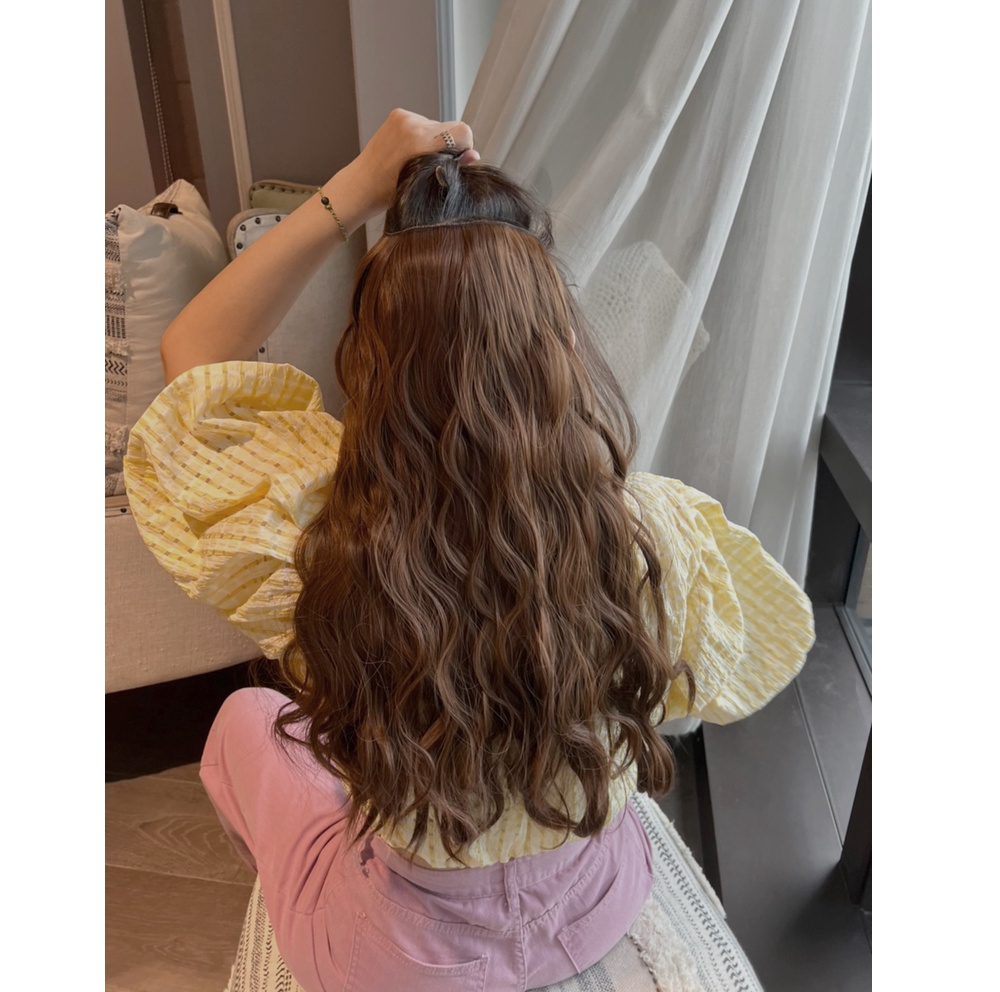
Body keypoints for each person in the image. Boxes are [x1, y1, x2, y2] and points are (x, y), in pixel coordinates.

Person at [124, 109, 814, 992]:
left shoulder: (313, 537)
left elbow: (191, 351)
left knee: (245, 722)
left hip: (400, 961)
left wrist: (357, 185)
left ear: (375, 355)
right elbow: (773, 642)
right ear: (555, 342)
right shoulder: (650, 533)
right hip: (600, 902)